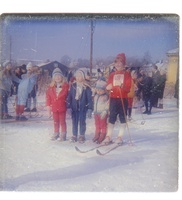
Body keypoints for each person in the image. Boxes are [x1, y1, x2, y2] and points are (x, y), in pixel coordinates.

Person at [103, 53, 132, 145]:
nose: (118, 64)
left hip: (123, 99)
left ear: (124, 64)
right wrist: (108, 88)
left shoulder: (127, 74)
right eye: (116, 62)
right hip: (113, 99)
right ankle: (108, 136)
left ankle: (120, 136)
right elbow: (108, 86)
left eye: (120, 62)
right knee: (112, 117)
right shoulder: (112, 74)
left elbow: (128, 88)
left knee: (122, 117)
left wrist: (122, 86)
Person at [67, 69, 93, 143]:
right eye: (77, 76)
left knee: (82, 121)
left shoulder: (86, 87)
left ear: (83, 77)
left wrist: (90, 108)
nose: (78, 78)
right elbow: (69, 97)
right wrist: (68, 106)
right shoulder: (73, 86)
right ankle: (74, 135)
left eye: (80, 76)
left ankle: (82, 135)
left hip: (83, 107)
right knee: (74, 121)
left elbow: (89, 98)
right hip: (74, 107)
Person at [46, 68, 69, 141]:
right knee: (55, 121)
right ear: (53, 78)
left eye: (59, 76)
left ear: (62, 77)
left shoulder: (66, 86)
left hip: (62, 107)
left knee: (62, 121)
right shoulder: (51, 87)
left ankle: (63, 134)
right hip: (54, 108)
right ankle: (56, 133)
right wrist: (48, 105)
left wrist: (68, 105)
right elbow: (48, 97)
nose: (57, 78)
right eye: (56, 76)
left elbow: (68, 97)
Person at [92, 79, 109, 144]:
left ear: (104, 90)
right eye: (97, 90)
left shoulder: (105, 97)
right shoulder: (96, 96)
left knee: (103, 125)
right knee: (97, 125)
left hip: (102, 113)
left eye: (100, 90)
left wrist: (105, 111)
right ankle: (97, 135)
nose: (98, 91)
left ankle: (103, 135)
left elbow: (107, 105)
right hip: (96, 113)